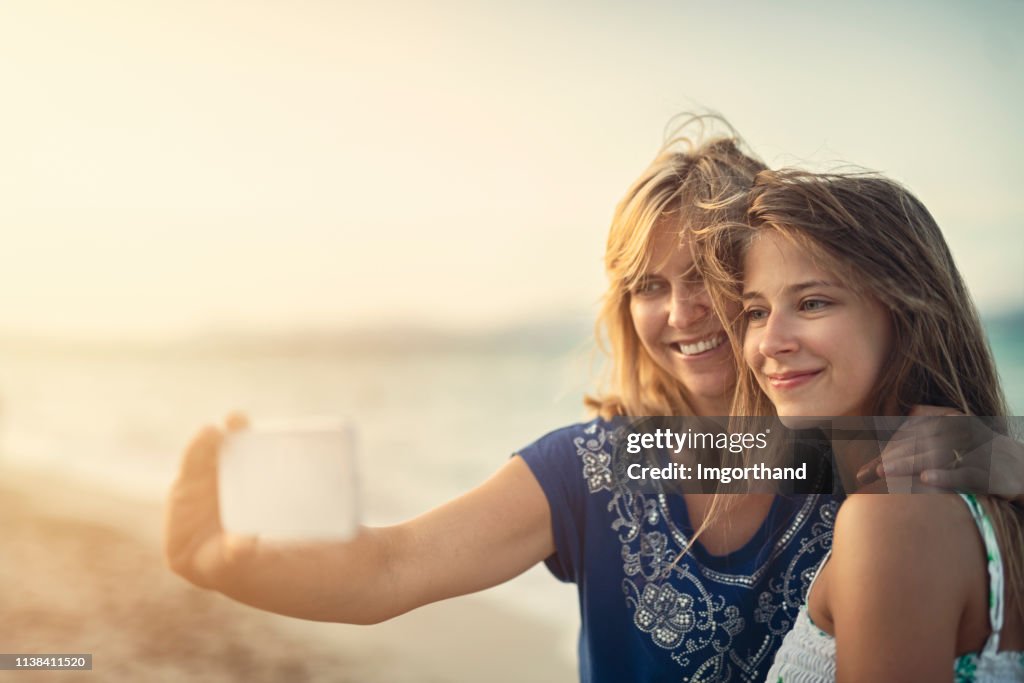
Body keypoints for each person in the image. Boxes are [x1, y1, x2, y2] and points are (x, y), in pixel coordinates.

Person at [164, 119, 1021, 681]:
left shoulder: (875, 448)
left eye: (711, 282)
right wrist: (230, 564)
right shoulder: (604, 462)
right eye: (649, 285)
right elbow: (390, 566)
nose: (682, 313)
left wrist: (984, 446)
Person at [698, 169, 1024, 680]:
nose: (769, 342)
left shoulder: (894, 520)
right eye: (756, 312)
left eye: (812, 303)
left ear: (904, 314)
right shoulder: (975, 504)